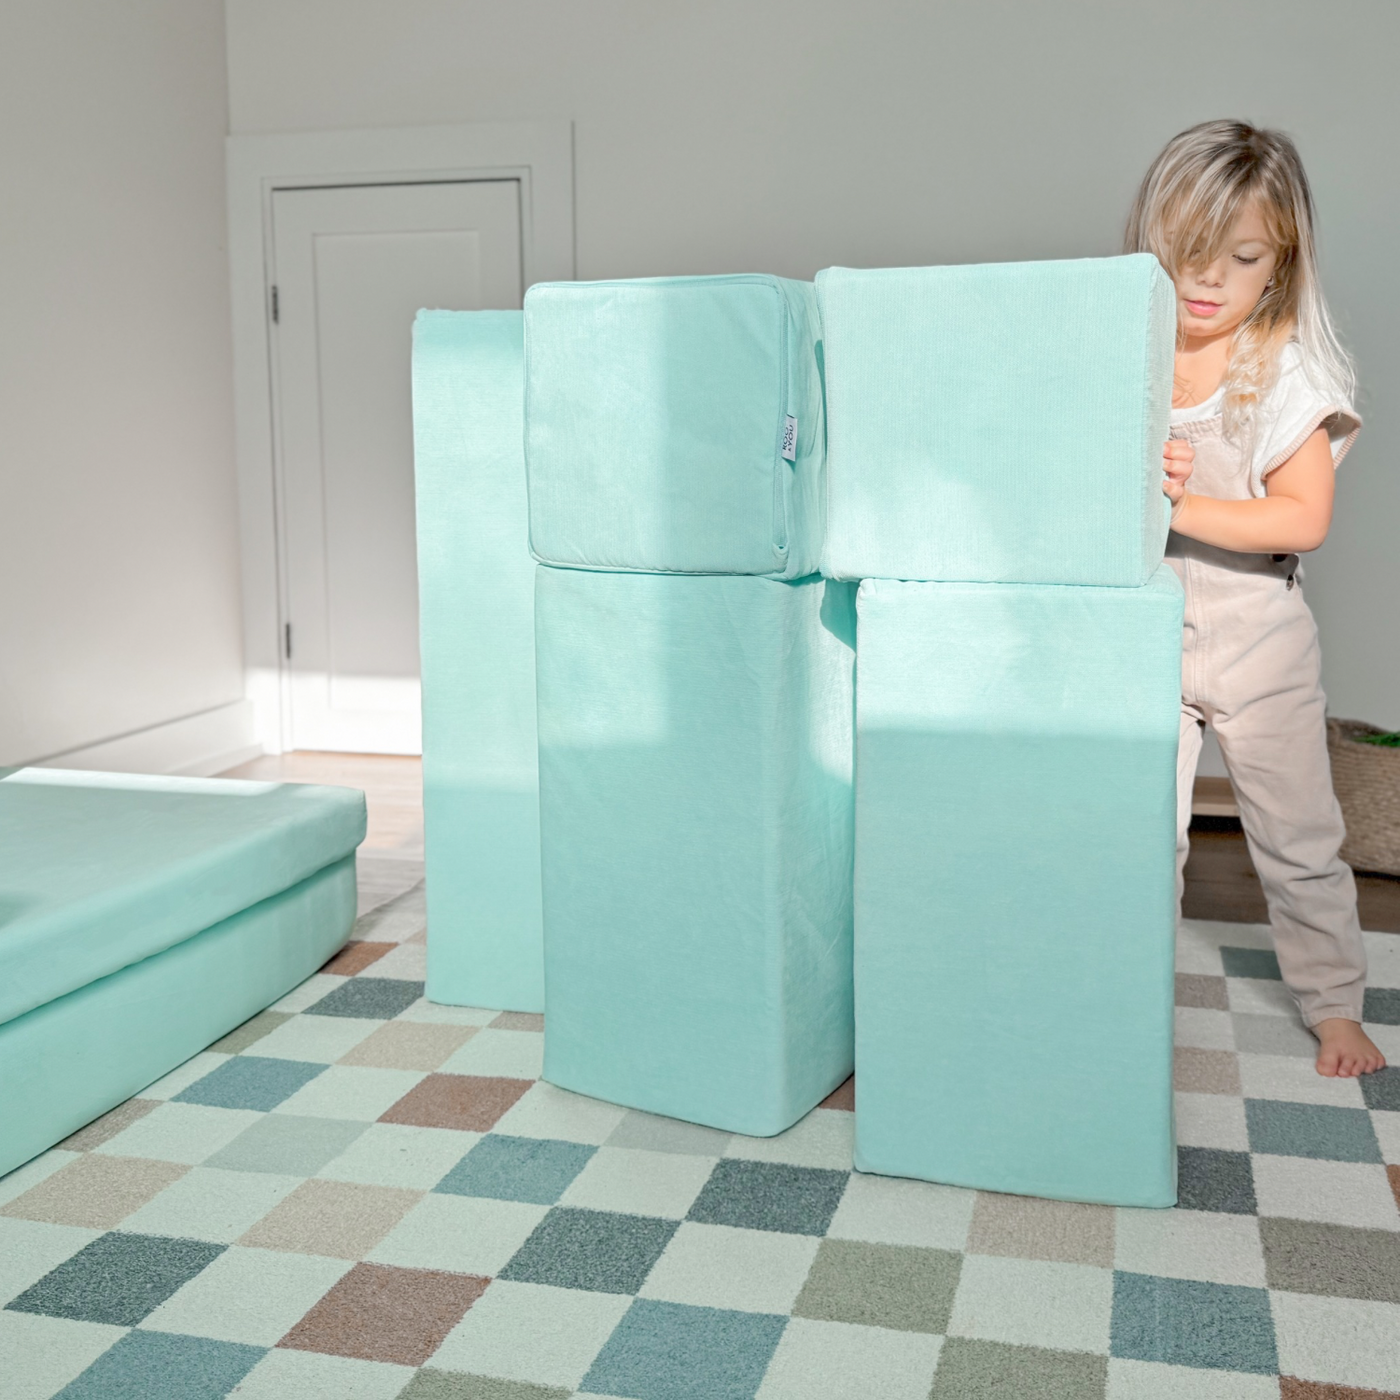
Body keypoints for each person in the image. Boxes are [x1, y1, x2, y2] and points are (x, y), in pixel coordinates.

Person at [1134, 119, 1384, 1076]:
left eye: (1241, 259)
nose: (1210, 280)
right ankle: (1130, 992)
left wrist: (1178, 505)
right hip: (1148, 633)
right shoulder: (1133, 355)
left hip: (1259, 637)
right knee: (1138, 833)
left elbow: (1302, 517)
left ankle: (1333, 1004)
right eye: (1189, 252)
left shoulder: (1281, 370)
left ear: (1277, 266)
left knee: (1297, 835)